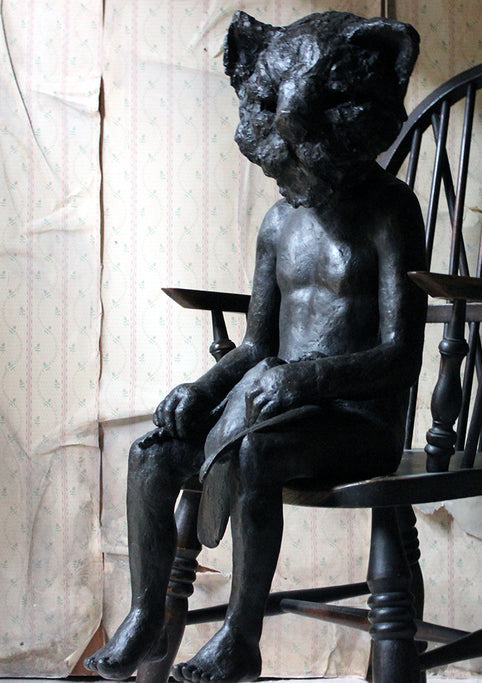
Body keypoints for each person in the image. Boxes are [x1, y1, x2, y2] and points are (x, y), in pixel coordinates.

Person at [85, 10, 424, 683]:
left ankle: (241, 637)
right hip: (272, 406)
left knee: (256, 451)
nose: (293, 168)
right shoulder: (277, 224)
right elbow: (256, 345)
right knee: (152, 452)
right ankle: (146, 613)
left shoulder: (391, 212)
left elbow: (401, 356)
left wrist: (304, 381)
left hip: (357, 423)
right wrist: (202, 388)